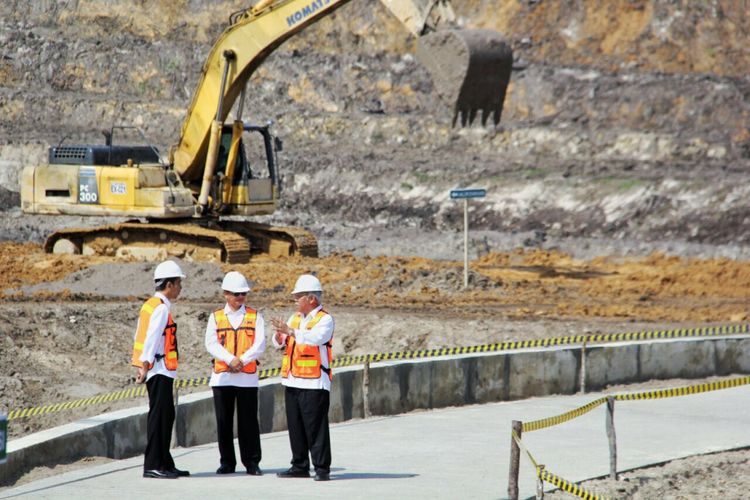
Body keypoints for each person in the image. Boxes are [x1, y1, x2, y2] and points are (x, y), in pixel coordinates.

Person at [271, 274, 335, 482]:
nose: (295, 301)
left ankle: (322, 468)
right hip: (292, 380)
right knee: (296, 426)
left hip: (314, 382)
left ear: (311, 299)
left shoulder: (324, 319)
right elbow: (279, 342)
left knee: (315, 428)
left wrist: (290, 331)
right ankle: (299, 465)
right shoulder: (296, 318)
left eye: (298, 297)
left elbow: (316, 338)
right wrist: (280, 336)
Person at [131, 260, 189, 479]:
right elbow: (151, 339)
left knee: (166, 415)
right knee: (159, 417)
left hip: (158, 369)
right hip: (158, 369)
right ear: (170, 285)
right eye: (178, 283)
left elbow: (140, 334)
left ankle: (165, 462)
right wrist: (145, 366)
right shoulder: (161, 308)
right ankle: (153, 465)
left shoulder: (151, 304)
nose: (180, 288)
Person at [205, 271, 266, 476]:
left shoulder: (255, 316)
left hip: (247, 378)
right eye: (237, 294)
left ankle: (252, 462)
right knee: (224, 422)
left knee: (248, 422)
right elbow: (211, 344)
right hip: (222, 377)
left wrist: (242, 360)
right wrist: (230, 359)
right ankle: (227, 462)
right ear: (226, 294)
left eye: (243, 294)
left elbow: (260, 344)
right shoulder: (215, 317)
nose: (241, 298)